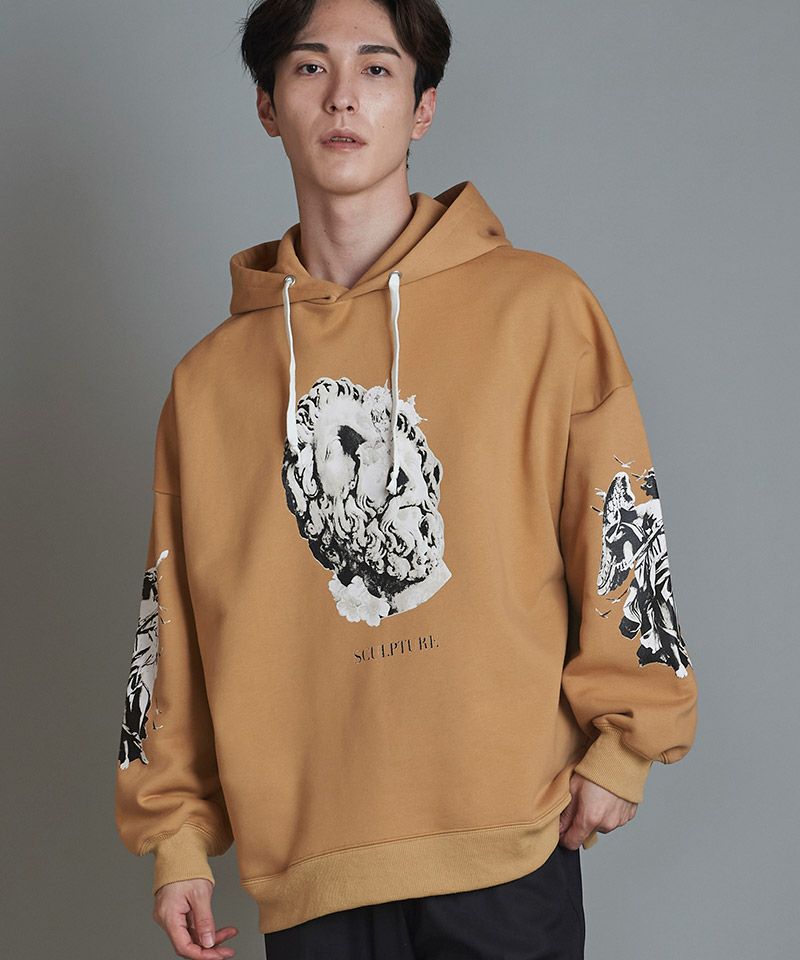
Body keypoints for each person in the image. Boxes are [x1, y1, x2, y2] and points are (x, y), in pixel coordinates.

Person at [114, 1, 699, 958]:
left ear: (423, 107)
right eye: (310, 67)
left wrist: (629, 740)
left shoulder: (540, 310)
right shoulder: (208, 384)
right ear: (267, 104)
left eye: (378, 68)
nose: (343, 96)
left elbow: (620, 521)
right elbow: (169, 621)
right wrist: (175, 836)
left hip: (506, 843)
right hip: (309, 868)